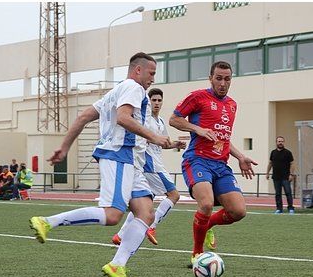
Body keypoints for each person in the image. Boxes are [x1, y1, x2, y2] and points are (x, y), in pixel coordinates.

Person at [29, 52, 171, 277]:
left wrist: (64, 148)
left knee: (146, 213)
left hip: (130, 160)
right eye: (151, 73)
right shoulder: (134, 88)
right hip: (118, 155)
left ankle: (117, 266)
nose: (153, 78)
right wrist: (154, 137)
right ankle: (48, 222)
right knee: (113, 215)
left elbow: (83, 117)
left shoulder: (115, 92)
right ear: (138, 70)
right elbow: (123, 118)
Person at [169, 61, 258, 265]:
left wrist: (240, 157)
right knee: (207, 203)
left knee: (238, 211)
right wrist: (196, 129)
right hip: (198, 161)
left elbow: (224, 139)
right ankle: (197, 254)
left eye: (227, 79)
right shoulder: (198, 97)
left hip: (221, 165)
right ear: (210, 78)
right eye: (218, 78)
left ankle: (207, 224)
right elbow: (174, 119)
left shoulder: (232, 105)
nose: (223, 83)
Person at [112, 88, 186, 246]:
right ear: (149, 102)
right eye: (154, 100)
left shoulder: (160, 122)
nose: (157, 103)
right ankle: (151, 226)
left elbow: (162, 142)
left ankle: (120, 234)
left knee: (145, 200)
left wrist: (175, 144)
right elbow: (143, 138)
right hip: (150, 163)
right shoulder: (145, 120)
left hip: (155, 162)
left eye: (159, 100)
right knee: (174, 195)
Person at [266, 136, 295, 214]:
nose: (280, 143)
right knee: (278, 194)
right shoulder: (273, 152)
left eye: (282, 141)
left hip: (286, 177)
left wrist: (291, 174)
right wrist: (267, 173)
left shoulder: (288, 152)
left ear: (284, 142)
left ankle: (291, 208)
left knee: (288, 193)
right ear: (276, 142)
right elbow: (270, 163)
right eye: (279, 141)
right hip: (276, 177)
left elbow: (292, 164)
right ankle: (279, 209)